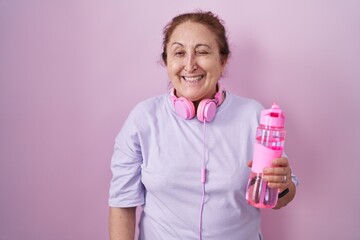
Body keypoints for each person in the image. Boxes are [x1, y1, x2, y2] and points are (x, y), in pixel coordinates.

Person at [109, 11, 298, 240]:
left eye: (202, 52)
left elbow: (281, 198)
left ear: (223, 60)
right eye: (179, 53)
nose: (190, 65)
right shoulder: (143, 119)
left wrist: (282, 184)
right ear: (167, 61)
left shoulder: (254, 115)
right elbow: (122, 203)